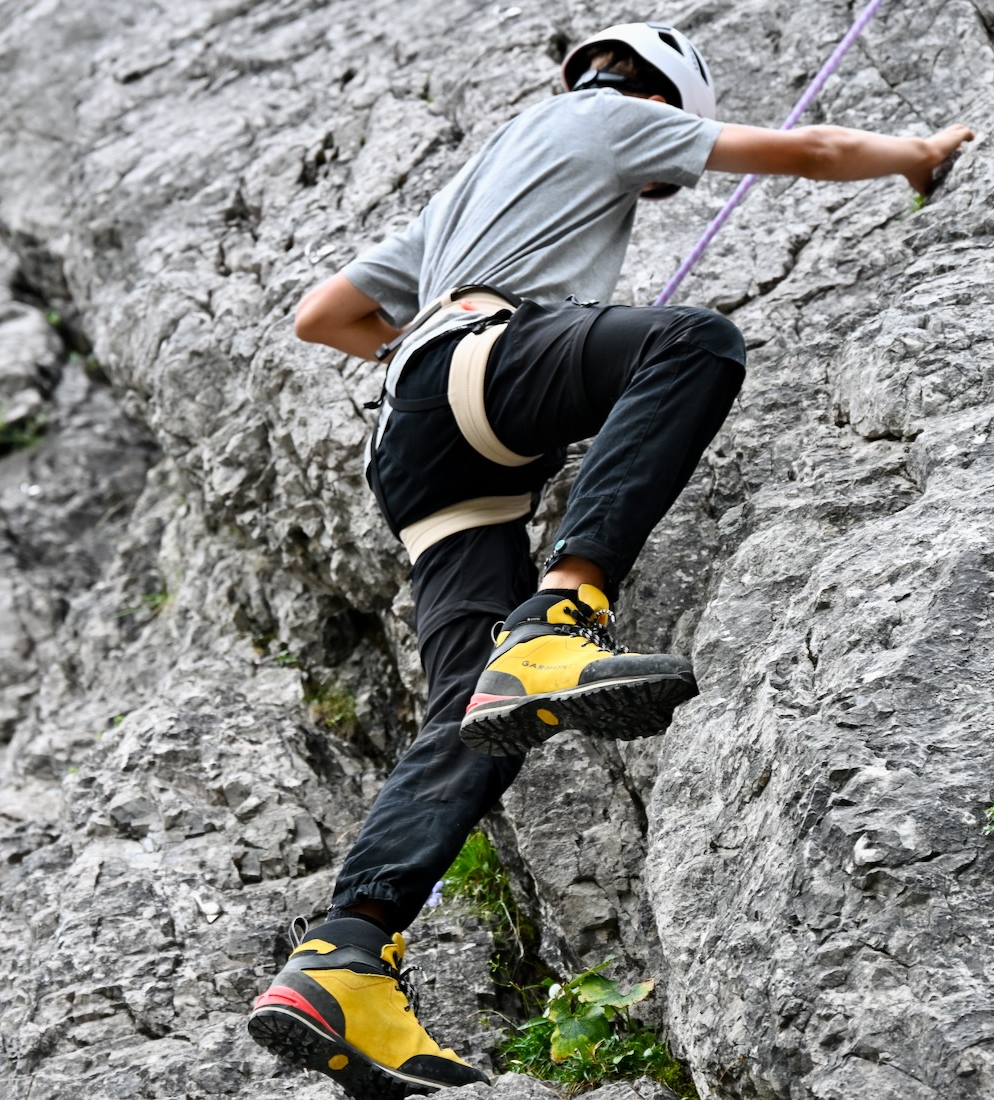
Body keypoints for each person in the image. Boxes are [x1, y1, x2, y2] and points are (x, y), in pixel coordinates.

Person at [248, 20, 973, 1098]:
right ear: (660, 99)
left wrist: (476, 372)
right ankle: (561, 615)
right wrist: (918, 154)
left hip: (415, 441)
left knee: (467, 711)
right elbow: (810, 152)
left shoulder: (473, 181)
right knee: (691, 343)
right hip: (476, 370)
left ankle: (344, 954)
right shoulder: (611, 116)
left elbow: (326, 315)